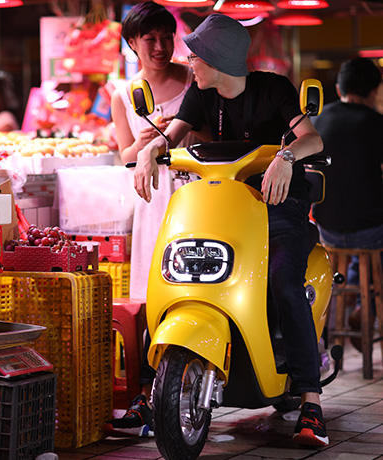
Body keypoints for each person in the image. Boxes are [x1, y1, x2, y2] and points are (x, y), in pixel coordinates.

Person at [134, 13, 329, 447]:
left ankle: (310, 401)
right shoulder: (200, 95)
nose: (190, 63)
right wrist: (151, 148)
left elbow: (312, 138)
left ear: (216, 60)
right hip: (222, 202)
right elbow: (172, 135)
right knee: (176, 271)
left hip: (278, 204)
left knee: (282, 280)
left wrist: (286, 157)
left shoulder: (274, 89)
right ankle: (150, 390)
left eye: (195, 56)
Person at [106, 1, 202, 436]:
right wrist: (144, 142)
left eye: (168, 37)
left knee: (195, 285)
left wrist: (181, 134)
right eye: (151, 40)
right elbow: (124, 156)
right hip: (152, 198)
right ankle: (150, 390)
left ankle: (193, 381)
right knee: (151, 291)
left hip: (195, 194)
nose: (161, 46)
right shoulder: (122, 94)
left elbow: (214, 136)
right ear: (132, 44)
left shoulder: (195, 79)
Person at [311, 58, 383, 320]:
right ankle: (367, 307)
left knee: (358, 237)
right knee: (370, 239)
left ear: (340, 89)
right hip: (370, 233)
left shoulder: (317, 122)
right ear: (374, 91)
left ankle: (349, 298)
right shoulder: (377, 123)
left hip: (326, 228)